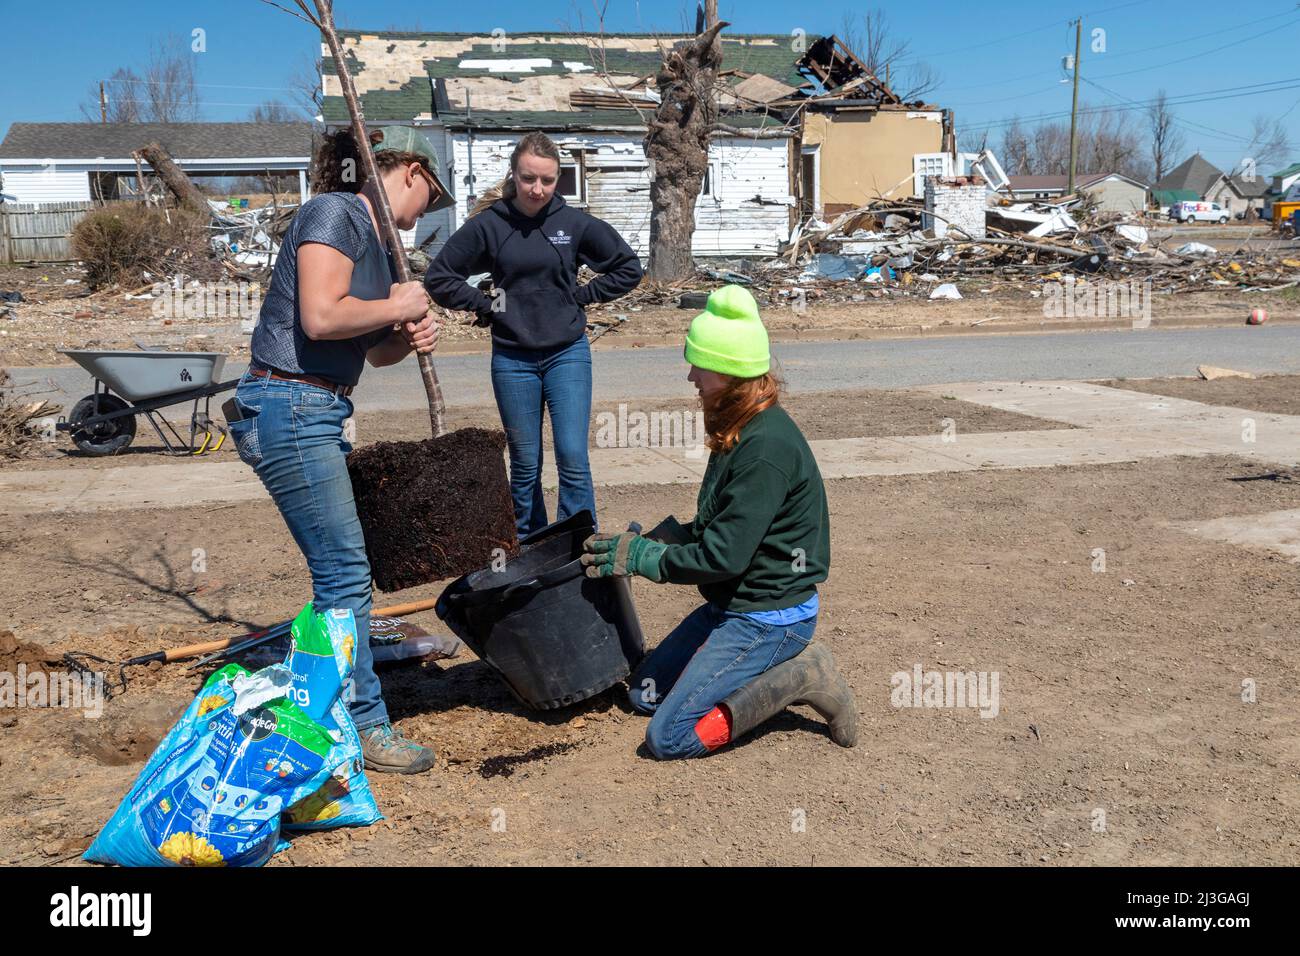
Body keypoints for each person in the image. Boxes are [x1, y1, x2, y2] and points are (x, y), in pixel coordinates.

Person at [228, 126, 454, 774]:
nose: (420, 219)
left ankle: (312, 706)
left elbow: (372, 350)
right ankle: (364, 727)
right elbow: (322, 317)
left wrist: (405, 333)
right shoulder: (335, 212)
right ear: (411, 172)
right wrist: (395, 300)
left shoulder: (379, 246)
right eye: (427, 198)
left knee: (341, 572)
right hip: (288, 405)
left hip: (317, 406)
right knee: (345, 576)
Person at [580, 285, 858, 759]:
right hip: (731, 606)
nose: (691, 375)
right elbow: (723, 527)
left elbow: (724, 557)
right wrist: (659, 541)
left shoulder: (765, 448)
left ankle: (800, 674)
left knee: (669, 738)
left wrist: (648, 558)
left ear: (729, 373)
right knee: (643, 694)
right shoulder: (739, 428)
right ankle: (764, 673)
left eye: (699, 366)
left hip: (766, 616)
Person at [424, 131, 643, 537]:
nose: (537, 189)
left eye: (547, 180)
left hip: (567, 354)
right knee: (525, 461)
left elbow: (629, 268)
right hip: (513, 359)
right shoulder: (491, 226)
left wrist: (584, 295)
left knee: (573, 455)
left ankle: (580, 543)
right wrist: (485, 304)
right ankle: (528, 545)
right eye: (528, 179)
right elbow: (440, 277)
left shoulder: (574, 224)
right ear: (514, 174)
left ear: (558, 178)